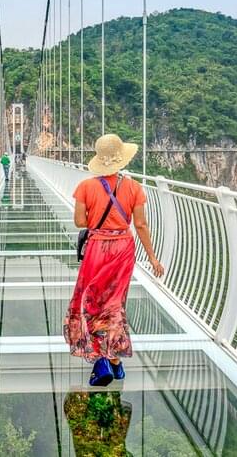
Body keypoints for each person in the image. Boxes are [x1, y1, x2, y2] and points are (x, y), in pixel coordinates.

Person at [64, 134, 165, 387]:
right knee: (114, 303)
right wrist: (153, 258)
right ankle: (116, 361)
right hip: (123, 248)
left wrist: (98, 219)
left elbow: (79, 221)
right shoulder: (134, 188)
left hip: (97, 247)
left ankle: (102, 361)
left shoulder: (85, 187)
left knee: (91, 302)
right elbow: (140, 225)